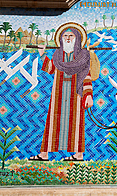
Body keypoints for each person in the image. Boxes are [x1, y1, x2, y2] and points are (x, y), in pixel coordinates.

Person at [29, 28, 93, 161]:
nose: (68, 38)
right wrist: (42, 54)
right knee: (53, 122)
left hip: (76, 94)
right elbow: (51, 69)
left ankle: (78, 155)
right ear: (61, 38)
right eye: (65, 36)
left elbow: (86, 75)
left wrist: (88, 95)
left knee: (76, 123)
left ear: (77, 38)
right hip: (59, 93)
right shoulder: (58, 55)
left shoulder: (82, 56)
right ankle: (44, 154)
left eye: (71, 35)